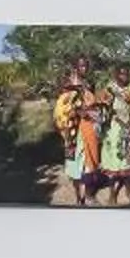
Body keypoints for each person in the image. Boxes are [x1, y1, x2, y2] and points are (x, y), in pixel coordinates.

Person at [52, 64, 97, 200]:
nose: (84, 68)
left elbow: (92, 105)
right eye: (81, 65)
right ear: (75, 68)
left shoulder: (89, 84)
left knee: (89, 164)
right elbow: (62, 108)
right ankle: (79, 197)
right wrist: (77, 111)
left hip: (88, 128)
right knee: (74, 166)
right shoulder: (68, 85)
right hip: (72, 132)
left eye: (86, 66)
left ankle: (88, 195)